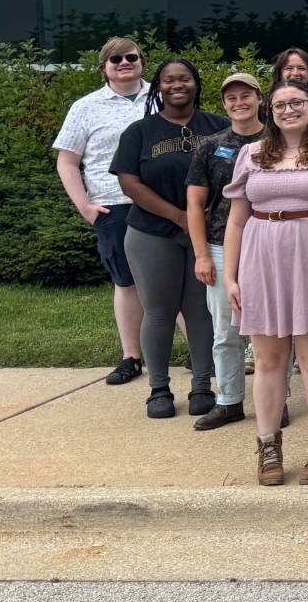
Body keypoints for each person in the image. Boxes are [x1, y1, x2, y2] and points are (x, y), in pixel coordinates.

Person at [223, 81, 308, 486]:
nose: (289, 110)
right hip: (261, 259)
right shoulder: (250, 155)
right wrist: (230, 277)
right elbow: (236, 220)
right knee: (268, 361)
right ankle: (268, 447)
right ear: (269, 109)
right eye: (281, 104)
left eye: (297, 102)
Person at [112, 57, 228, 418]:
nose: (177, 85)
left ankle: (202, 386)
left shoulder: (219, 126)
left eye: (185, 79)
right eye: (168, 80)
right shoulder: (140, 131)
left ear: (196, 83)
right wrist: (179, 216)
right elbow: (129, 182)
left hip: (207, 235)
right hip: (152, 231)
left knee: (200, 310)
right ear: (158, 86)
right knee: (159, 311)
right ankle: (158, 389)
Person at [53, 35, 150, 384]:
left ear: (141, 62)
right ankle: (130, 357)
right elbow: (67, 162)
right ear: (104, 67)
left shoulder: (162, 99)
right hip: (113, 206)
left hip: (163, 205)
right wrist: (86, 207)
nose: (124, 63)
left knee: (175, 280)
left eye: (131, 57)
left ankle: (201, 356)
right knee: (126, 282)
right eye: (116, 59)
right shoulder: (86, 107)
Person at [186, 71, 266, 431]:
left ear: (259, 98)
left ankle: (275, 399)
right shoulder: (210, 145)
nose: (239, 103)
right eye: (231, 98)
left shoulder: (279, 141)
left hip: (269, 246)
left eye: (246, 95)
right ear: (224, 104)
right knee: (225, 330)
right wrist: (201, 254)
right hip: (220, 247)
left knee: (272, 330)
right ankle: (229, 400)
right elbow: (195, 203)